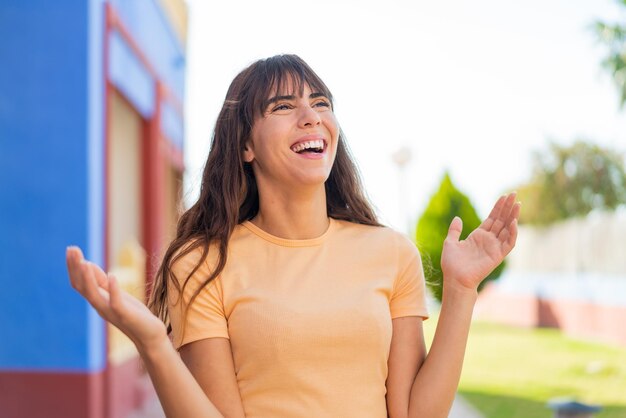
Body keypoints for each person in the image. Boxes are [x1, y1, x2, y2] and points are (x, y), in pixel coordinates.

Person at [66, 54, 520, 418]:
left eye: (320, 103)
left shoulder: (390, 253)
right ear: (246, 145)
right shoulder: (204, 263)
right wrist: (152, 342)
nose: (311, 116)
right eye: (283, 106)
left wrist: (461, 291)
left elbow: (415, 414)